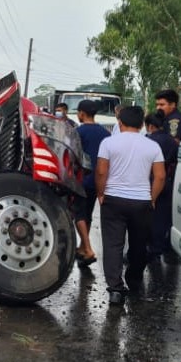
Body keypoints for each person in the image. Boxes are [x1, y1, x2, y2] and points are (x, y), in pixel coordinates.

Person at [95, 106, 166, 305]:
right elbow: (160, 176)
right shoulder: (152, 146)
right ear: (142, 124)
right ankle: (134, 280)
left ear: (120, 122)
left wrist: (101, 194)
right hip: (141, 201)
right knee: (138, 244)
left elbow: (101, 172)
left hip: (113, 200)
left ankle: (115, 289)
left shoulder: (108, 143)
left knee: (113, 244)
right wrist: (152, 198)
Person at [72, 99, 110, 267]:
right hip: (99, 180)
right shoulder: (105, 133)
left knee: (78, 214)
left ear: (81, 113)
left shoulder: (77, 132)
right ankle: (81, 248)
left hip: (82, 179)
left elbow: (73, 156)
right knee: (88, 213)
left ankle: (88, 249)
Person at [144, 111, 179, 264]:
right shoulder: (172, 142)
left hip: (150, 181)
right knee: (161, 218)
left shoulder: (148, 141)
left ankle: (145, 247)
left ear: (150, 126)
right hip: (168, 182)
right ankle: (157, 250)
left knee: (146, 217)